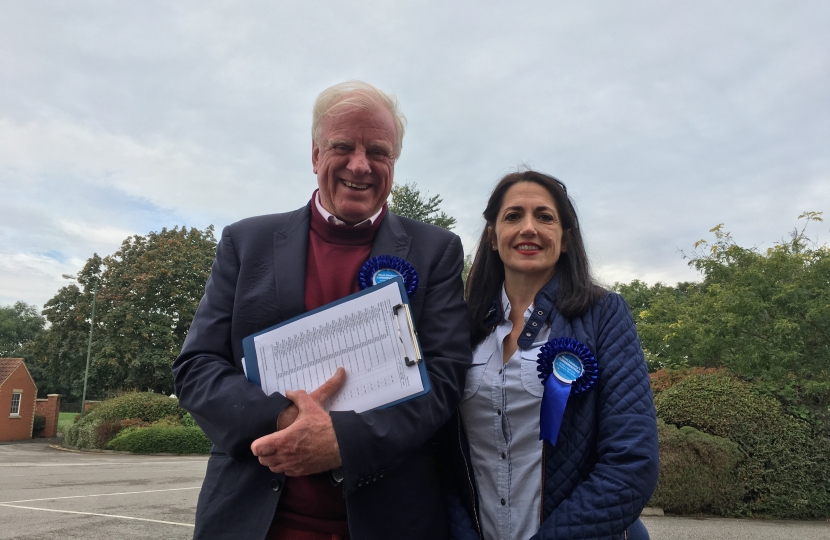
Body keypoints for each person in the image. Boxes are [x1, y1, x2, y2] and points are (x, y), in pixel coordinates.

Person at [173, 81, 471, 540]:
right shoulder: (245, 242)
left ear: (393, 162)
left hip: (388, 521)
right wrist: (283, 420)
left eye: (378, 150)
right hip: (252, 522)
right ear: (315, 156)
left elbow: (445, 379)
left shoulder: (437, 251)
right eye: (342, 147)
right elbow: (197, 367)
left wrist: (342, 443)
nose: (360, 164)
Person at [443, 170, 659, 540]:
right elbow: (441, 459)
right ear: (493, 238)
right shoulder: (460, 326)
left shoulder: (604, 315)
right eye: (513, 216)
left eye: (545, 217)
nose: (529, 228)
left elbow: (632, 462)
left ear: (566, 239)